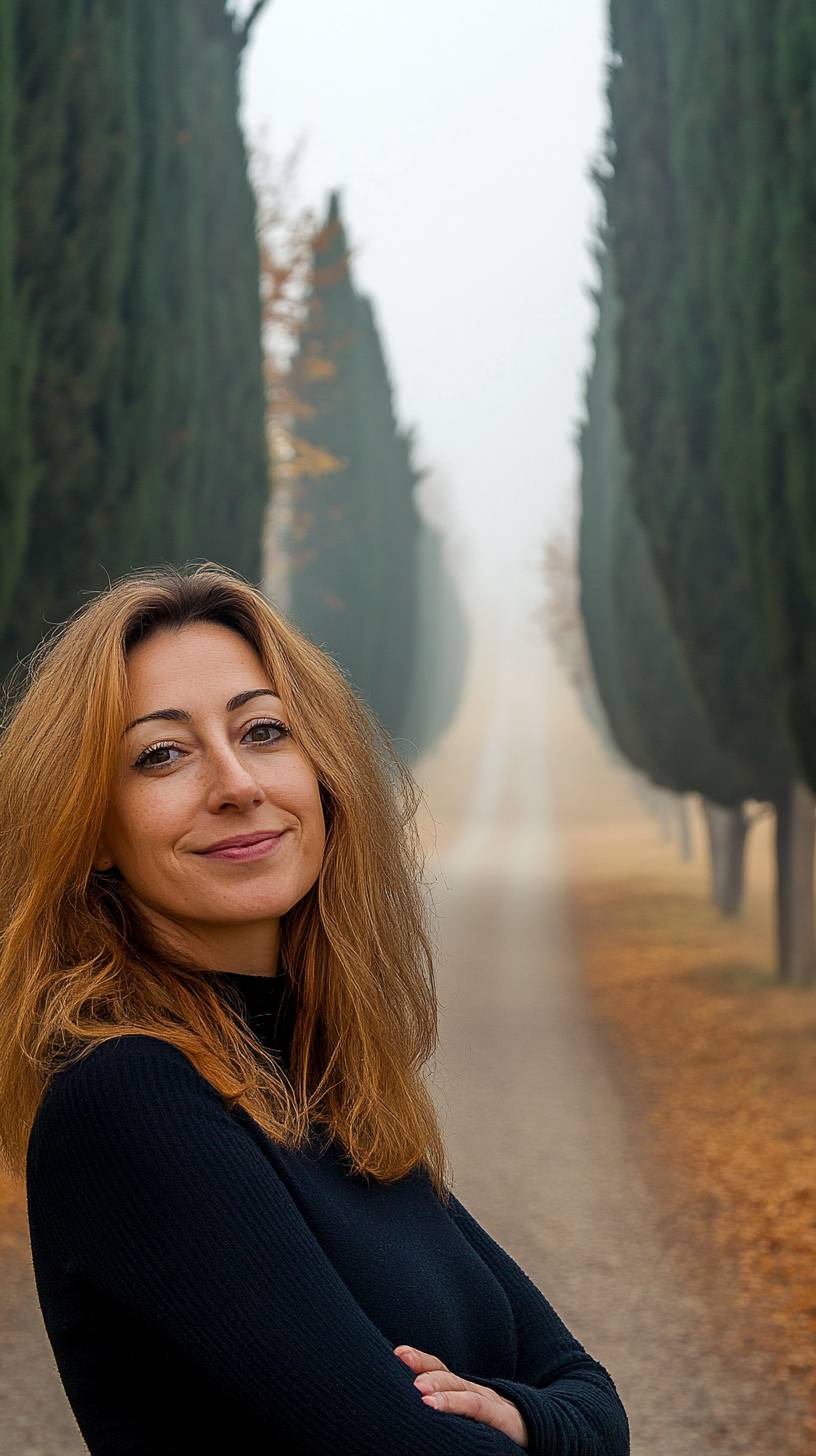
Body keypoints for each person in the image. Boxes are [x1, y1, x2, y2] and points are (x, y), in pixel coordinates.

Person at [0, 563, 630, 1455]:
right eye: (162, 753)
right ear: (94, 829)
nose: (235, 783)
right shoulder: (130, 1098)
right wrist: (538, 1420)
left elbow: (595, 1397)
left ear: (321, 770)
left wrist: (531, 1418)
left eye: (263, 731)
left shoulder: (320, 1081)